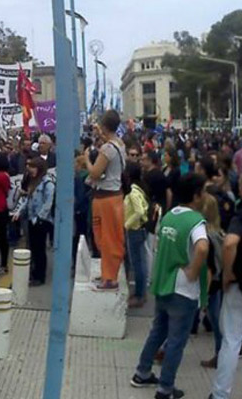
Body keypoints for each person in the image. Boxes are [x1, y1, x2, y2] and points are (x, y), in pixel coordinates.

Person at [131, 174, 209, 399]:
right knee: (176, 341)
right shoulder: (196, 221)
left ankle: (142, 372)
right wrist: (194, 271)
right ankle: (165, 388)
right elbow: (202, 248)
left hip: (163, 283)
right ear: (195, 196)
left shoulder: (168, 217)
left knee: (158, 331)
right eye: (202, 191)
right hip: (183, 289)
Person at [87, 109, 127, 291]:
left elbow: (95, 172)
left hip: (106, 198)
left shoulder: (108, 149)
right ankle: (107, 273)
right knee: (107, 237)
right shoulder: (119, 144)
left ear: (104, 126)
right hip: (113, 197)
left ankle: (110, 278)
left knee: (107, 238)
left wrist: (86, 159)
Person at [210, 207, 242, 399]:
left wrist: (228, 272)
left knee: (231, 338)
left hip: (238, 285)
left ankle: (220, 394)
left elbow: (230, 243)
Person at [13, 156, 55, 286]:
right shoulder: (33, 182)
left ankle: (39, 276)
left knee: (39, 249)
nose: (29, 169)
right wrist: (19, 212)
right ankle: (34, 273)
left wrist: (40, 218)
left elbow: (48, 202)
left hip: (41, 221)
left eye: (32, 166)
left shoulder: (48, 183)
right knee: (33, 248)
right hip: (32, 219)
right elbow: (28, 200)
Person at [198, 193, 224, 370]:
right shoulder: (219, 233)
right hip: (218, 283)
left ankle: (220, 354)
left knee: (216, 321)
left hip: (209, 285)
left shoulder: (206, 236)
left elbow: (208, 268)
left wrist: (204, 296)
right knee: (216, 321)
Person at [124, 161, 150, 308]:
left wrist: (126, 224)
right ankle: (140, 292)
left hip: (134, 229)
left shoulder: (133, 192)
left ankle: (140, 295)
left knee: (137, 263)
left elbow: (139, 211)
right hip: (139, 229)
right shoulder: (139, 188)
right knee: (140, 262)